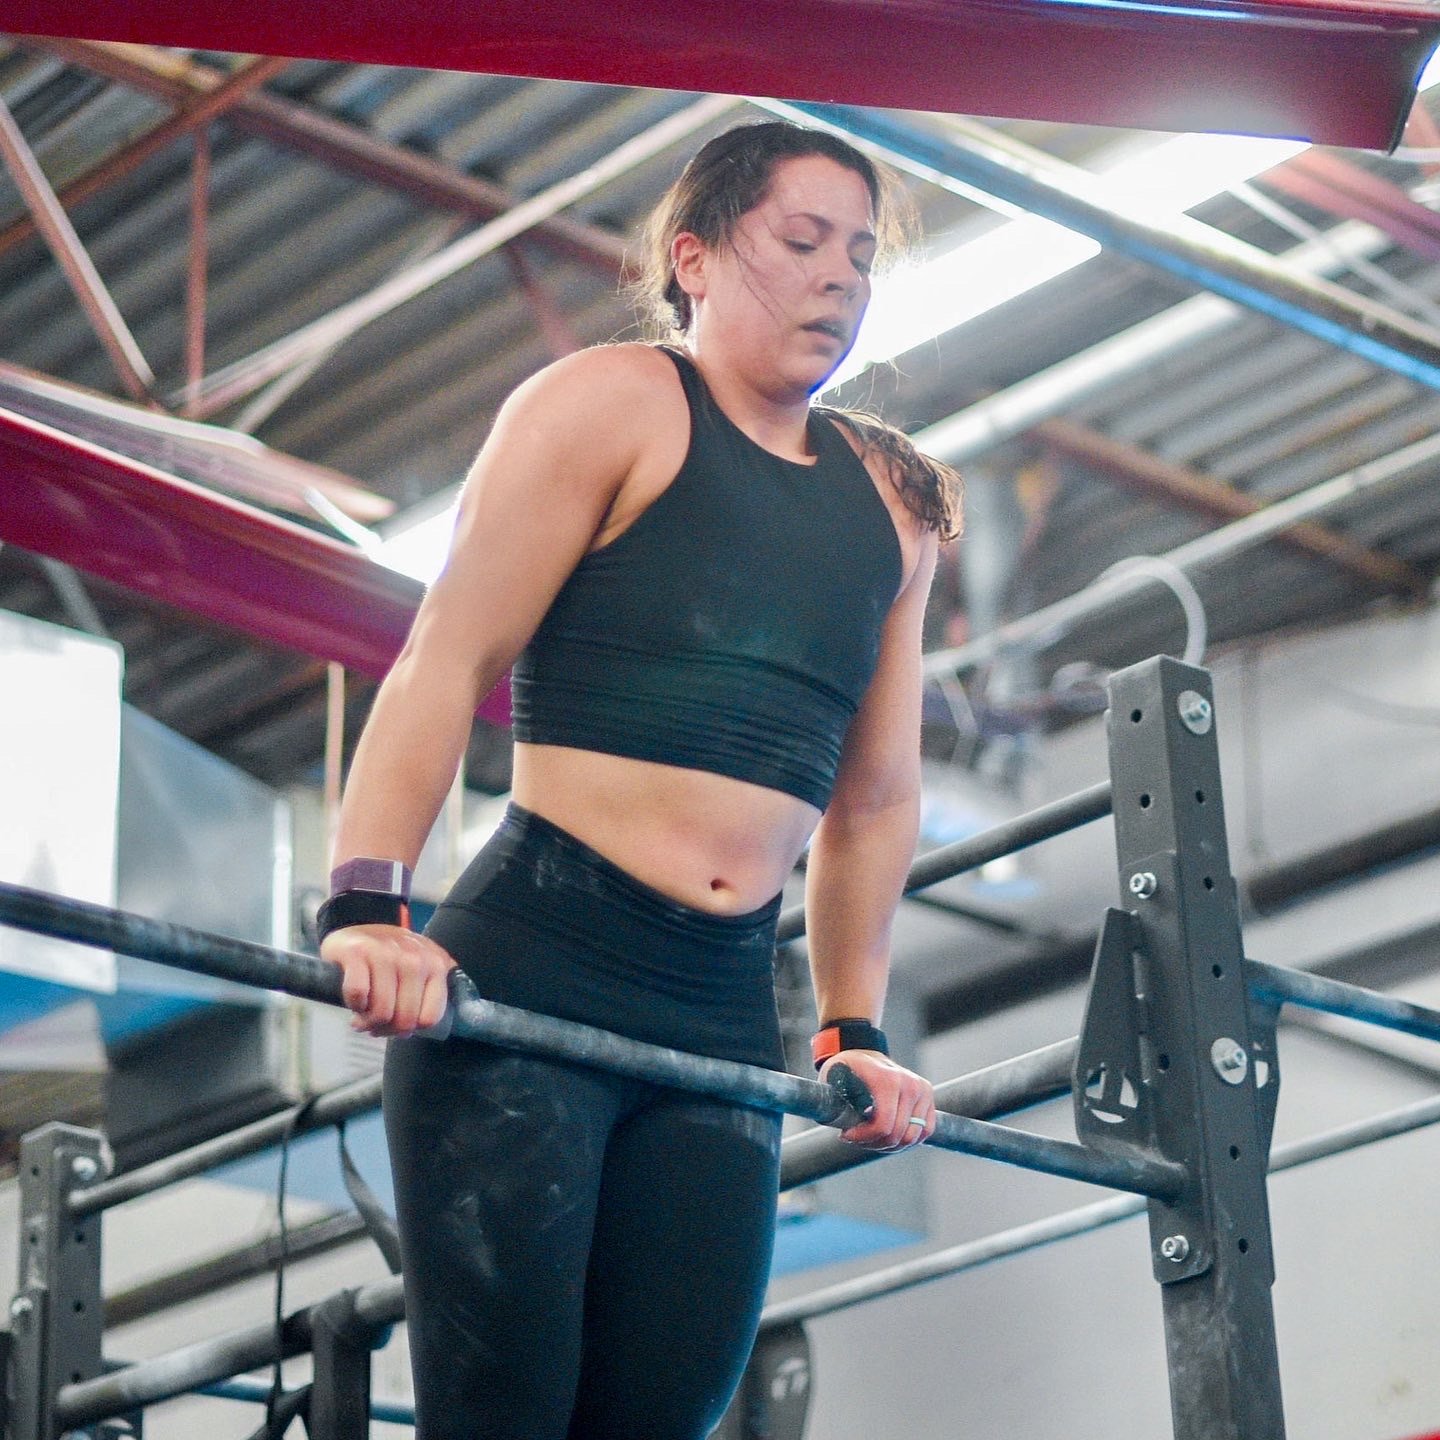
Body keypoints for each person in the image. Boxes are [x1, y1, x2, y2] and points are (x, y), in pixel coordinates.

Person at [317, 120, 962, 1440]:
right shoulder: (606, 404)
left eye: (860, 257)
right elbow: (448, 655)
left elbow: (879, 795)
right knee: (505, 1419)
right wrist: (371, 906)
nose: (839, 278)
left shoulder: (894, 502)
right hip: (535, 966)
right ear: (697, 258)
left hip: (723, 1016)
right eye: (799, 242)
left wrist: (856, 1025)